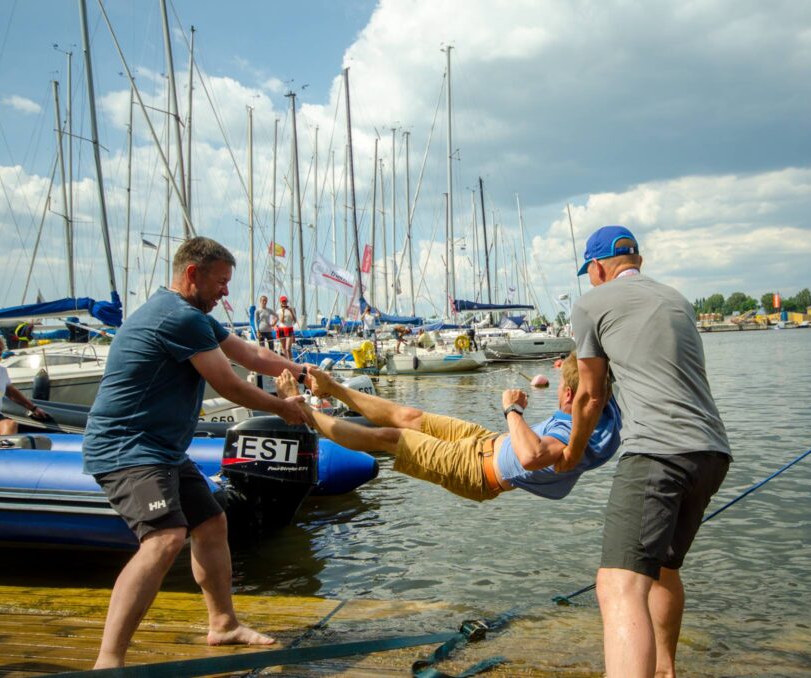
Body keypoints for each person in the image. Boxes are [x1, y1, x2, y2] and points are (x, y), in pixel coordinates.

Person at [81, 237, 314, 669]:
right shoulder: (179, 318)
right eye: (221, 282)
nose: (226, 291)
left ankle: (223, 625)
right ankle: (108, 661)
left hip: (161, 449)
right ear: (193, 273)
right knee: (164, 538)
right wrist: (284, 408)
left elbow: (248, 353)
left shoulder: (190, 315)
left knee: (210, 522)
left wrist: (302, 370)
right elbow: (228, 384)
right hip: (127, 448)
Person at [559, 225, 731, 678]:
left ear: (596, 267)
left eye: (589, 272)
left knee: (618, 585)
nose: (590, 280)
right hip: (711, 453)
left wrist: (574, 452)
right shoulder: (677, 299)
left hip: (658, 453)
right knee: (661, 569)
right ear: (637, 261)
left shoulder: (590, 304)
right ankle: (665, 670)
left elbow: (590, 396)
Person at [276, 352, 621, 502]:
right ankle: (332, 388)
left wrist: (512, 409)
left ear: (571, 394)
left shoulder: (572, 431)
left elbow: (531, 455)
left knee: (387, 437)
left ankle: (301, 407)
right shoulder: (609, 414)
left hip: (475, 469)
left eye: (561, 385)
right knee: (409, 416)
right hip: (486, 442)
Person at [275, 295, 297, 360]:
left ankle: (291, 361)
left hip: (289, 329)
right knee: (283, 348)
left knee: (288, 348)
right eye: (282, 301)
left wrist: (291, 311)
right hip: (282, 329)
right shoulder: (279, 311)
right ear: (280, 302)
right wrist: (283, 311)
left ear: (287, 301)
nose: (284, 303)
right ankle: (285, 362)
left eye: (285, 301)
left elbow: (294, 320)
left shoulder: (292, 309)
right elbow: (281, 321)